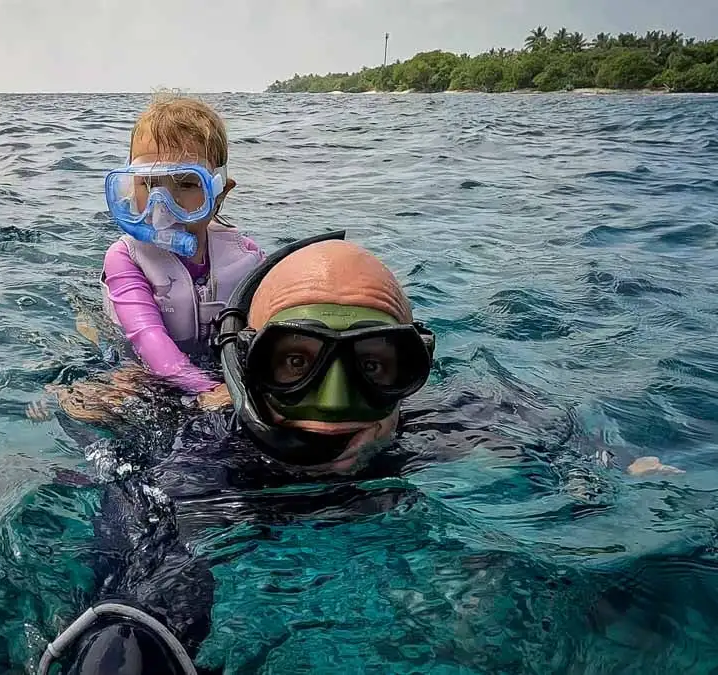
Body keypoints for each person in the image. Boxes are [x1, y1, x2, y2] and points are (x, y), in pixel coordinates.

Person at [38, 230, 449, 674]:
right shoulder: (202, 459)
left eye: (371, 364)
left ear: (411, 369)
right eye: (295, 362)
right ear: (245, 367)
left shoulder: (448, 427)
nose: (333, 403)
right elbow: (149, 575)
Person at [100, 94, 265, 405]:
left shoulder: (246, 256)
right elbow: (148, 337)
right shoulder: (125, 258)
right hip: (144, 367)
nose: (162, 205)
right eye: (147, 184)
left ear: (219, 193)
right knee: (101, 401)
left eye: (187, 184)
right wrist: (206, 389)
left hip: (215, 368)